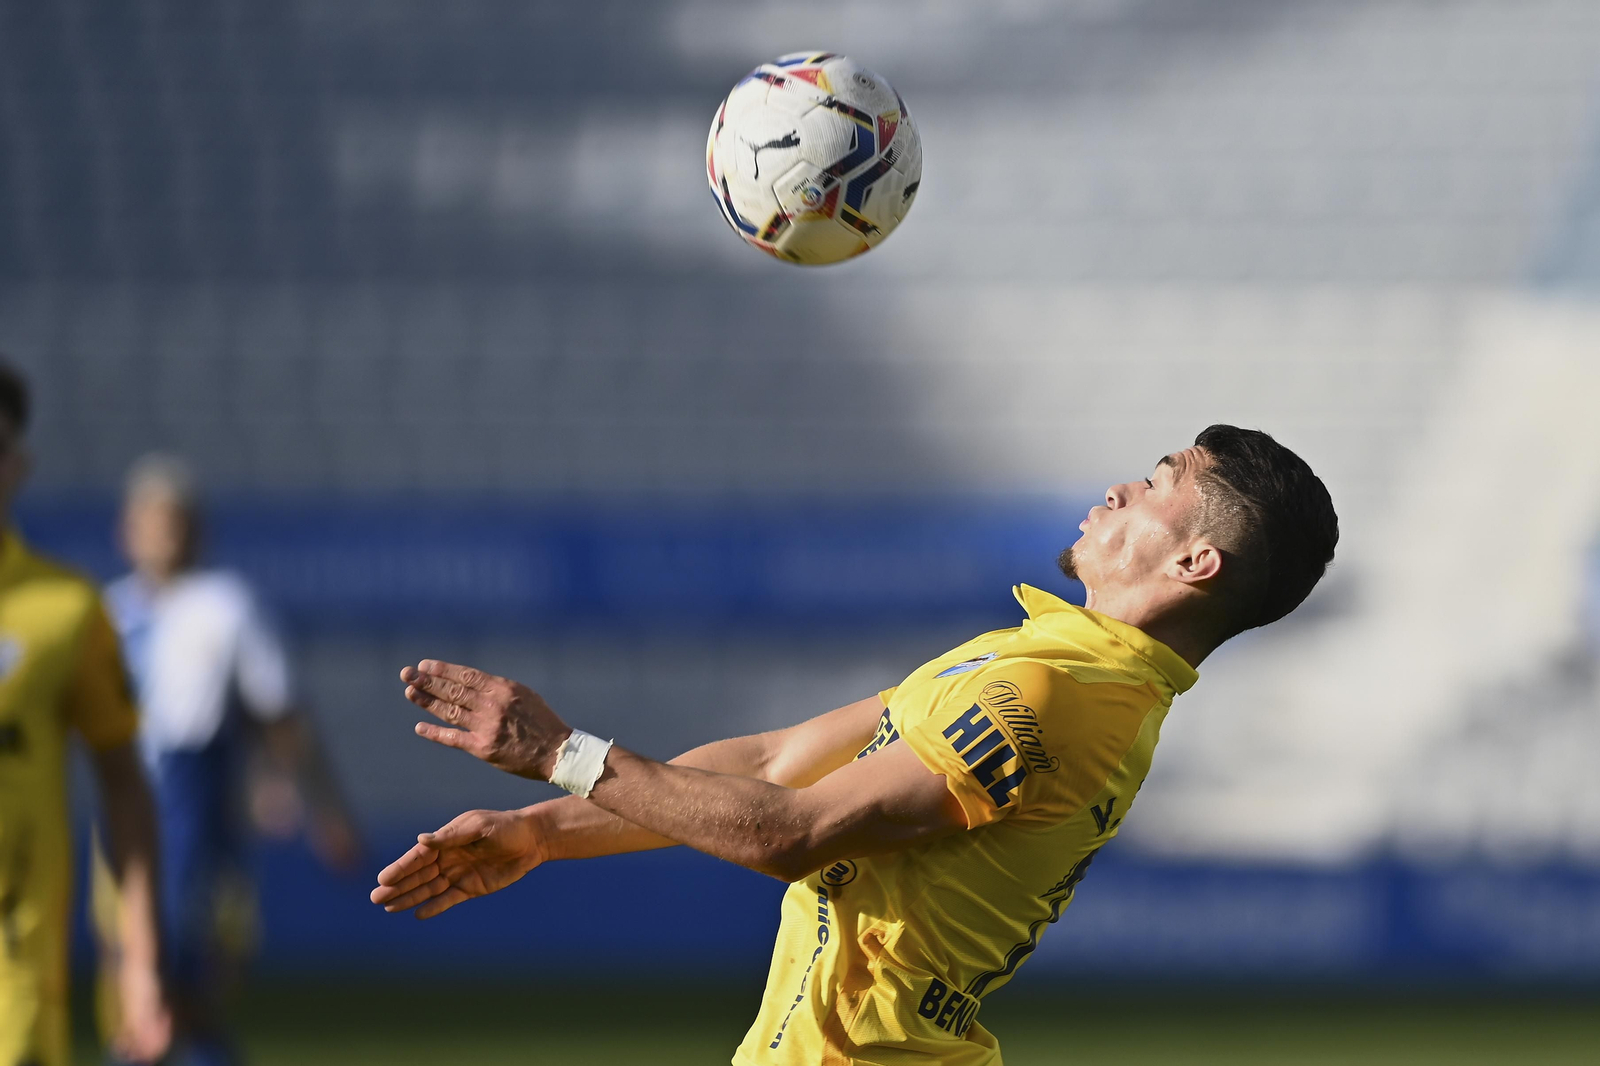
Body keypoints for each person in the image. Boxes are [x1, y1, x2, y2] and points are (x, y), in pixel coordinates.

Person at [370, 424, 1339, 1066]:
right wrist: (543, 829)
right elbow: (773, 763)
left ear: (1193, 561)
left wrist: (560, 750)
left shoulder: (1054, 694)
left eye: (1157, 482)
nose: (1120, 483)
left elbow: (789, 831)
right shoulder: (1048, 662)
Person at [100, 454, 361, 1066]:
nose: (164, 532)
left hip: (196, 814)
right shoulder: (108, 613)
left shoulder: (227, 606)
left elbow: (280, 716)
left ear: (198, 529)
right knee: (139, 992)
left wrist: (320, 805)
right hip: (122, 811)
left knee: (179, 991)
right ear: (126, 529)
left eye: (176, 519)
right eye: (150, 519)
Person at [0, 361, 171, 1066]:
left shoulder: (67, 610)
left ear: (18, 464)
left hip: (13, 978)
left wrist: (140, 958)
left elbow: (123, 785)